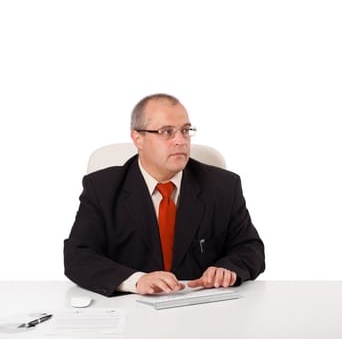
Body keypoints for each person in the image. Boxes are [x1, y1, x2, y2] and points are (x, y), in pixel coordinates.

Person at [64, 93, 265, 296]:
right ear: (138, 139)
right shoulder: (103, 188)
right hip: (132, 309)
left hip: (201, 307)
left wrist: (228, 269)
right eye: (166, 132)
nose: (180, 141)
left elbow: (250, 248)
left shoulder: (223, 186)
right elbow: (78, 256)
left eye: (185, 130)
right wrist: (136, 280)